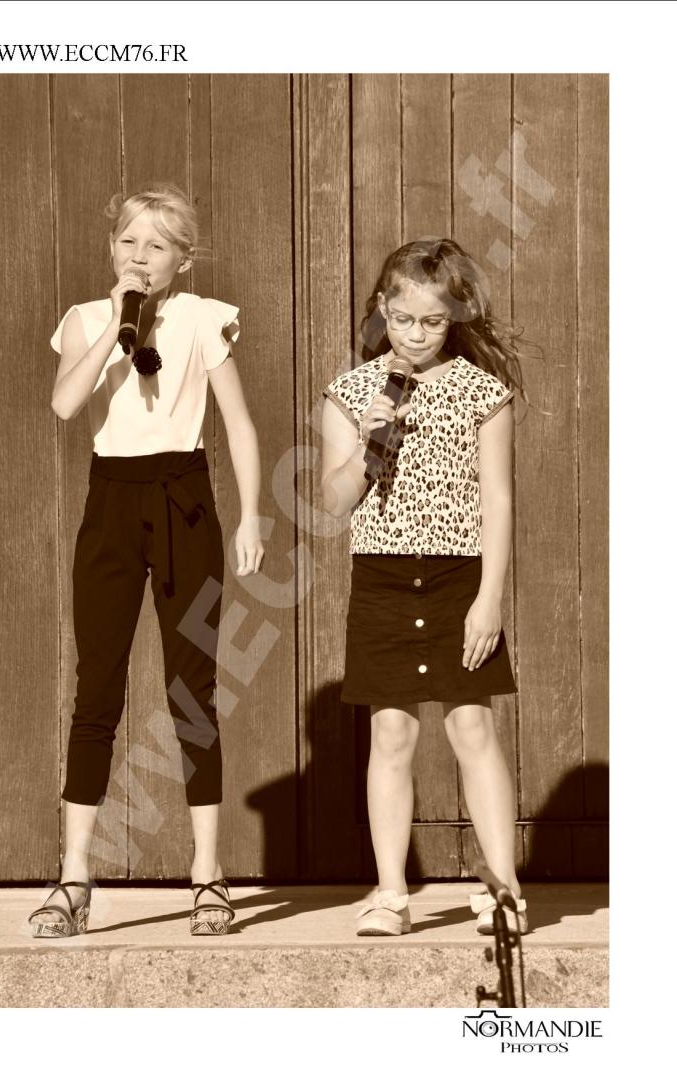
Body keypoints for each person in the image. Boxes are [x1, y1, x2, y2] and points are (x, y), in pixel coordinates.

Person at [28, 184, 263, 938]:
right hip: (112, 503)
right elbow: (65, 404)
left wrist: (251, 515)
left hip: (183, 498)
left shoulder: (201, 318)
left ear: (182, 259)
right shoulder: (85, 320)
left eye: (157, 245)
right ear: (112, 247)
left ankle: (208, 875)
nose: (140, 256)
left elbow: (238, 423)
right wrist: (115, 326)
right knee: (96, 688)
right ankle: (74, 876)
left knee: (192, 688)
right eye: (129, 241)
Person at [320, 239, 530, 937]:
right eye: (404, 319)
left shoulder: (480, 392)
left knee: (472, 725)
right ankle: (390, 894)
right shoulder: (352, 392)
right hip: (382, 575)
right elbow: (332, 503)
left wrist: (489, 598)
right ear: (383, 310)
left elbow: (497, 499)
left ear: (453, 318)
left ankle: (502, 891)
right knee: (390, 733)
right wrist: (366, 443)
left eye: (433, 321)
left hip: (457, 575)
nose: (416, 334)